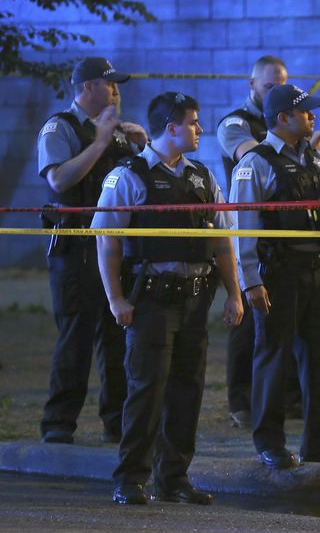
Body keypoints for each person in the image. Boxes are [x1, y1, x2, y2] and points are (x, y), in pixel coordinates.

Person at [93, 92, 244, 504]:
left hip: (195, 300)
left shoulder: (202, 177)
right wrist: (116, 300)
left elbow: (222, 241)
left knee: (187, 390)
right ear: (171, 127)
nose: (200, 129)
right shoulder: (128, 176)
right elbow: (107, 242)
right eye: (193, 123)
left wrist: (234, 293)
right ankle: (131, 478)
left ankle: (173, 478)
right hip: (152, 302)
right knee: (147, 389)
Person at [231, 84, 320, 469]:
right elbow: (243, 228)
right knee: (273, 356)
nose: (313, 117)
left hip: (317, 271)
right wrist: (250, 280)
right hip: (278, 274)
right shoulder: (256, 163)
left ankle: (319, 441)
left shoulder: (317, 161)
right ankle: (270, 442)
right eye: (305, 112)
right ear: (282, 118)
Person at [36, 56, 147, 445]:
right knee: (76, 337)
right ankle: (58, 425)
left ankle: (116, 422)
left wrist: (141, 147)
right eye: (109, 83)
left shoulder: (116, 131)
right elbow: (59, 180)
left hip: (113, 249)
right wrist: (101, 142)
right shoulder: (60, 127)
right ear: (86, 87)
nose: (116, 90)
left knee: (117, 338)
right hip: (78, 248)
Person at [216, 56, 301, 428]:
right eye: (269, 87)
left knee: (288, 320)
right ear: (252, 86)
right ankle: (242, 401)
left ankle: (289, 396)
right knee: (249, 320)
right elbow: (250, 153)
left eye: (281, 86)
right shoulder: (235, 124)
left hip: (286, 233)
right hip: (250, 231)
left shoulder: (289, 120)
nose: (275, 93)